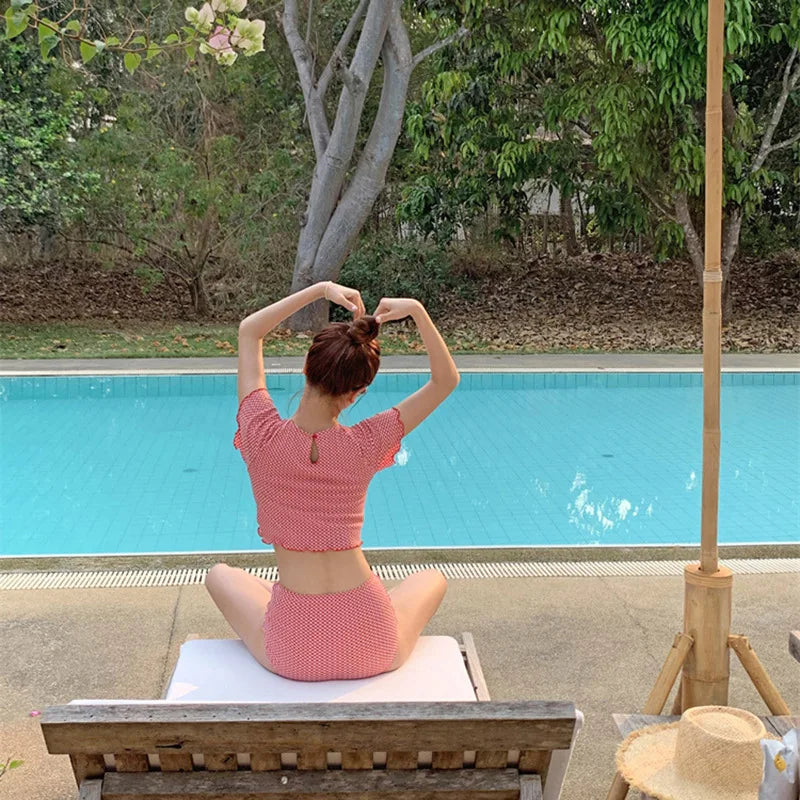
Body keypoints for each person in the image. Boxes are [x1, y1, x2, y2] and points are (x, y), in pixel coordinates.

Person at [205, 281, 460, 681]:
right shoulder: (366, 443)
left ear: (307, 368)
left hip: (293, 653)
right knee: (433, 578)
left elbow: (249, 331)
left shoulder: (260, 434)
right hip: (375, 642)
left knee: (219, 575)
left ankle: (297, 601)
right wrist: (415, 309)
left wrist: (320, 290)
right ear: (356, 393)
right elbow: (445, 381)